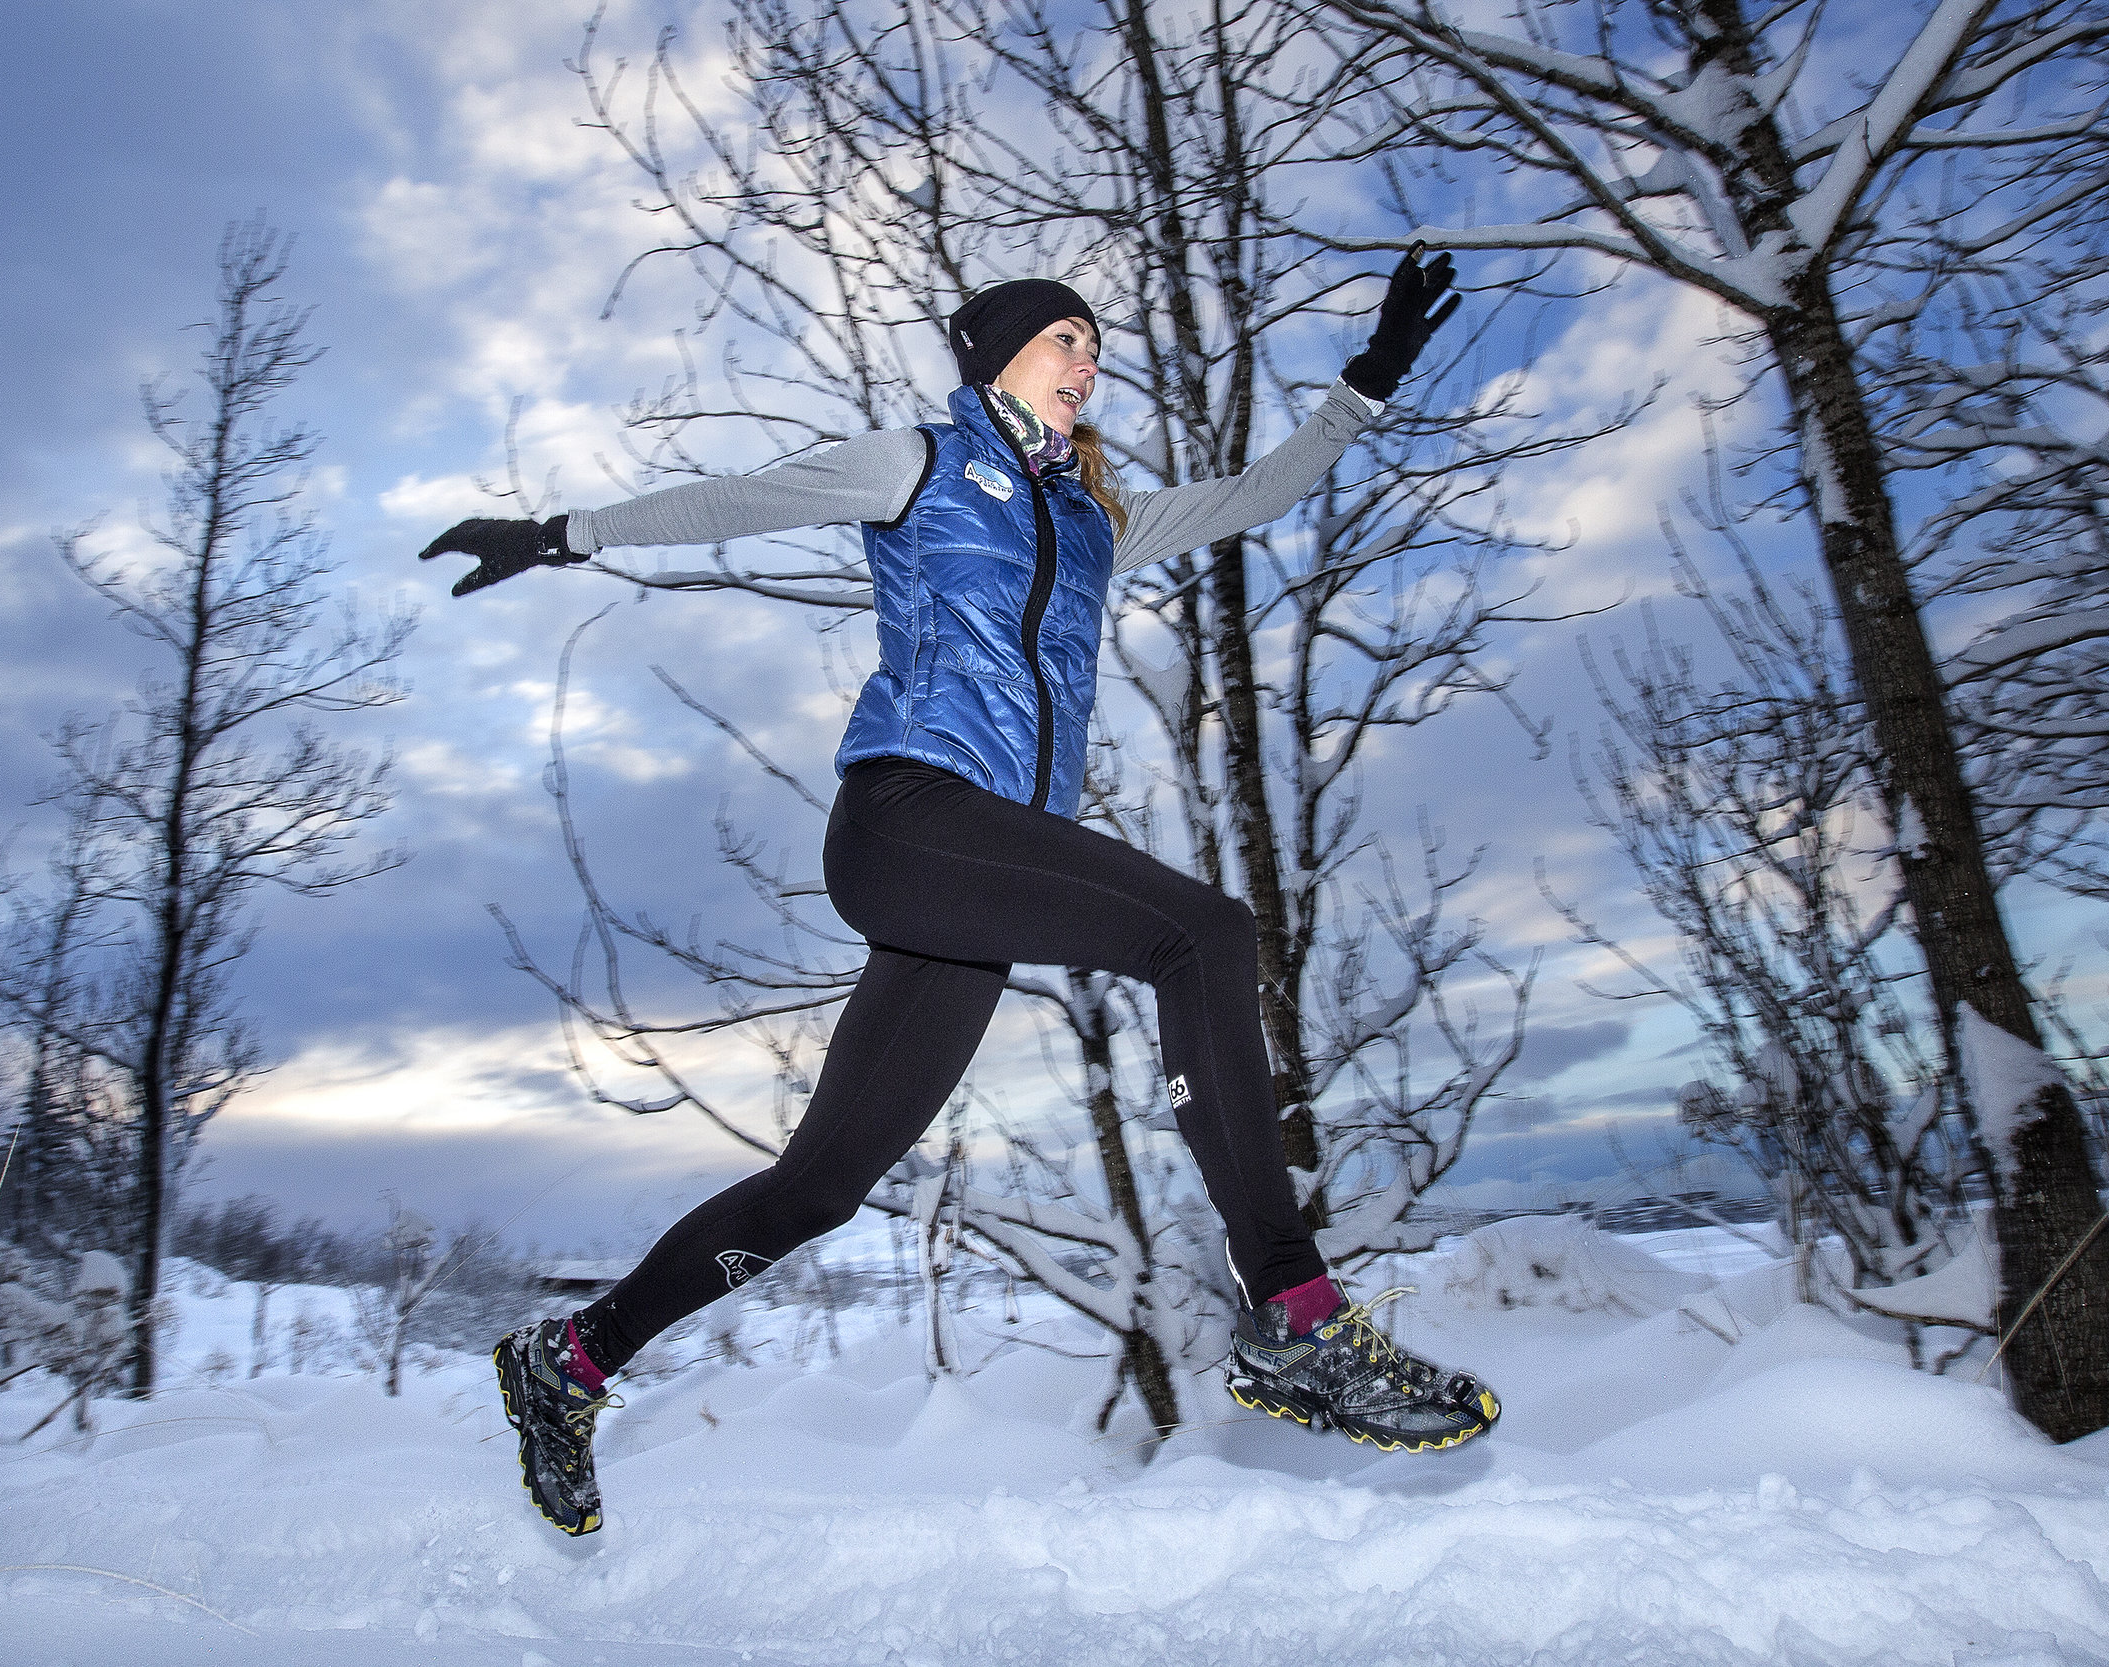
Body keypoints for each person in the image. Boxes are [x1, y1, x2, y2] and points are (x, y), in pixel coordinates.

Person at [422, 254, 1501, 1537]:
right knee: (1199, 932)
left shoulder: (1099, 514)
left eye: (1096, 343)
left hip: (985, 865)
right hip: (908, 819)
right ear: (995, 353)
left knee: (816, 1191)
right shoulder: (922, 463)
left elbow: (1261, 492)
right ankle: (1294, 1316)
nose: (1087, 358)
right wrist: (561, 533)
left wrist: (1367, 381)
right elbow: (743, 498)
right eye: (1063, 337)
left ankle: (569, 1359)